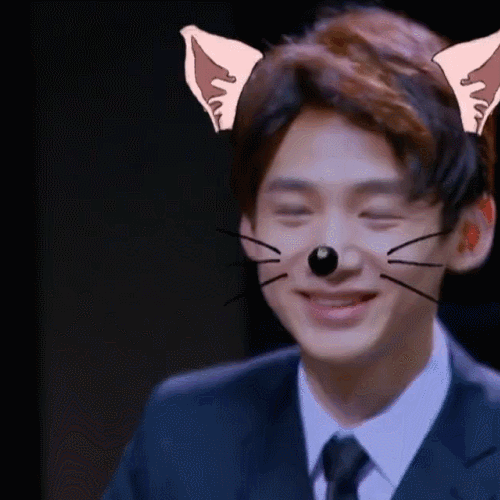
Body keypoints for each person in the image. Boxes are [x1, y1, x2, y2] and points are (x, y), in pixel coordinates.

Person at [101, 5, 499, 500]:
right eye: (293, 211)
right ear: (250, 226)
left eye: (377, 213)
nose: (327, 255)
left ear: (469, 235)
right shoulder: (182, 435)